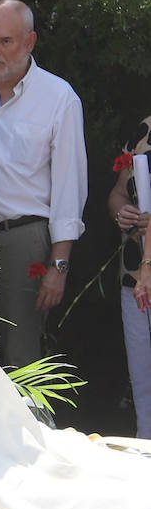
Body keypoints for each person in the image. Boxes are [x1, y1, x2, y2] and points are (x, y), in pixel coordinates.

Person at [0, 0, 87, 367]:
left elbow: (69, 187)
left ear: (30, 42)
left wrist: (59, 265)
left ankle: (32, 425)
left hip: (24, 240)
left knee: (23, 358)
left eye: (5, 41)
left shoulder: (59, 98)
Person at [108, 119, 151, 439]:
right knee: (144, 386)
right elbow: (120, 192)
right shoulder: (142, 131)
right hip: (136, 277)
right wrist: (122, 212)